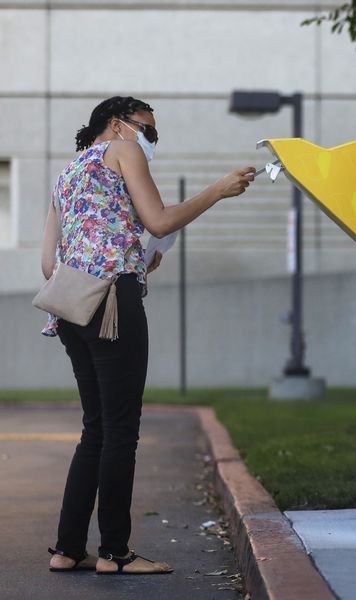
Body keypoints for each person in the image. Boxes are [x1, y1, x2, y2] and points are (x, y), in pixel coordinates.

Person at [40, 96, 255, 575]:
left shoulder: (69, 172)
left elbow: (48, 264)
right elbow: (158, 221)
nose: (151, 141)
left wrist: (135, 253)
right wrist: (217, 190)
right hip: (113, 303)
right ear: (117, 125)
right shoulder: (124, 149)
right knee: (120, 431)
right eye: (148, 130)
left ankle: (68, 548)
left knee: (94, 429)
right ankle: (115, 554)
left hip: (71, 306)